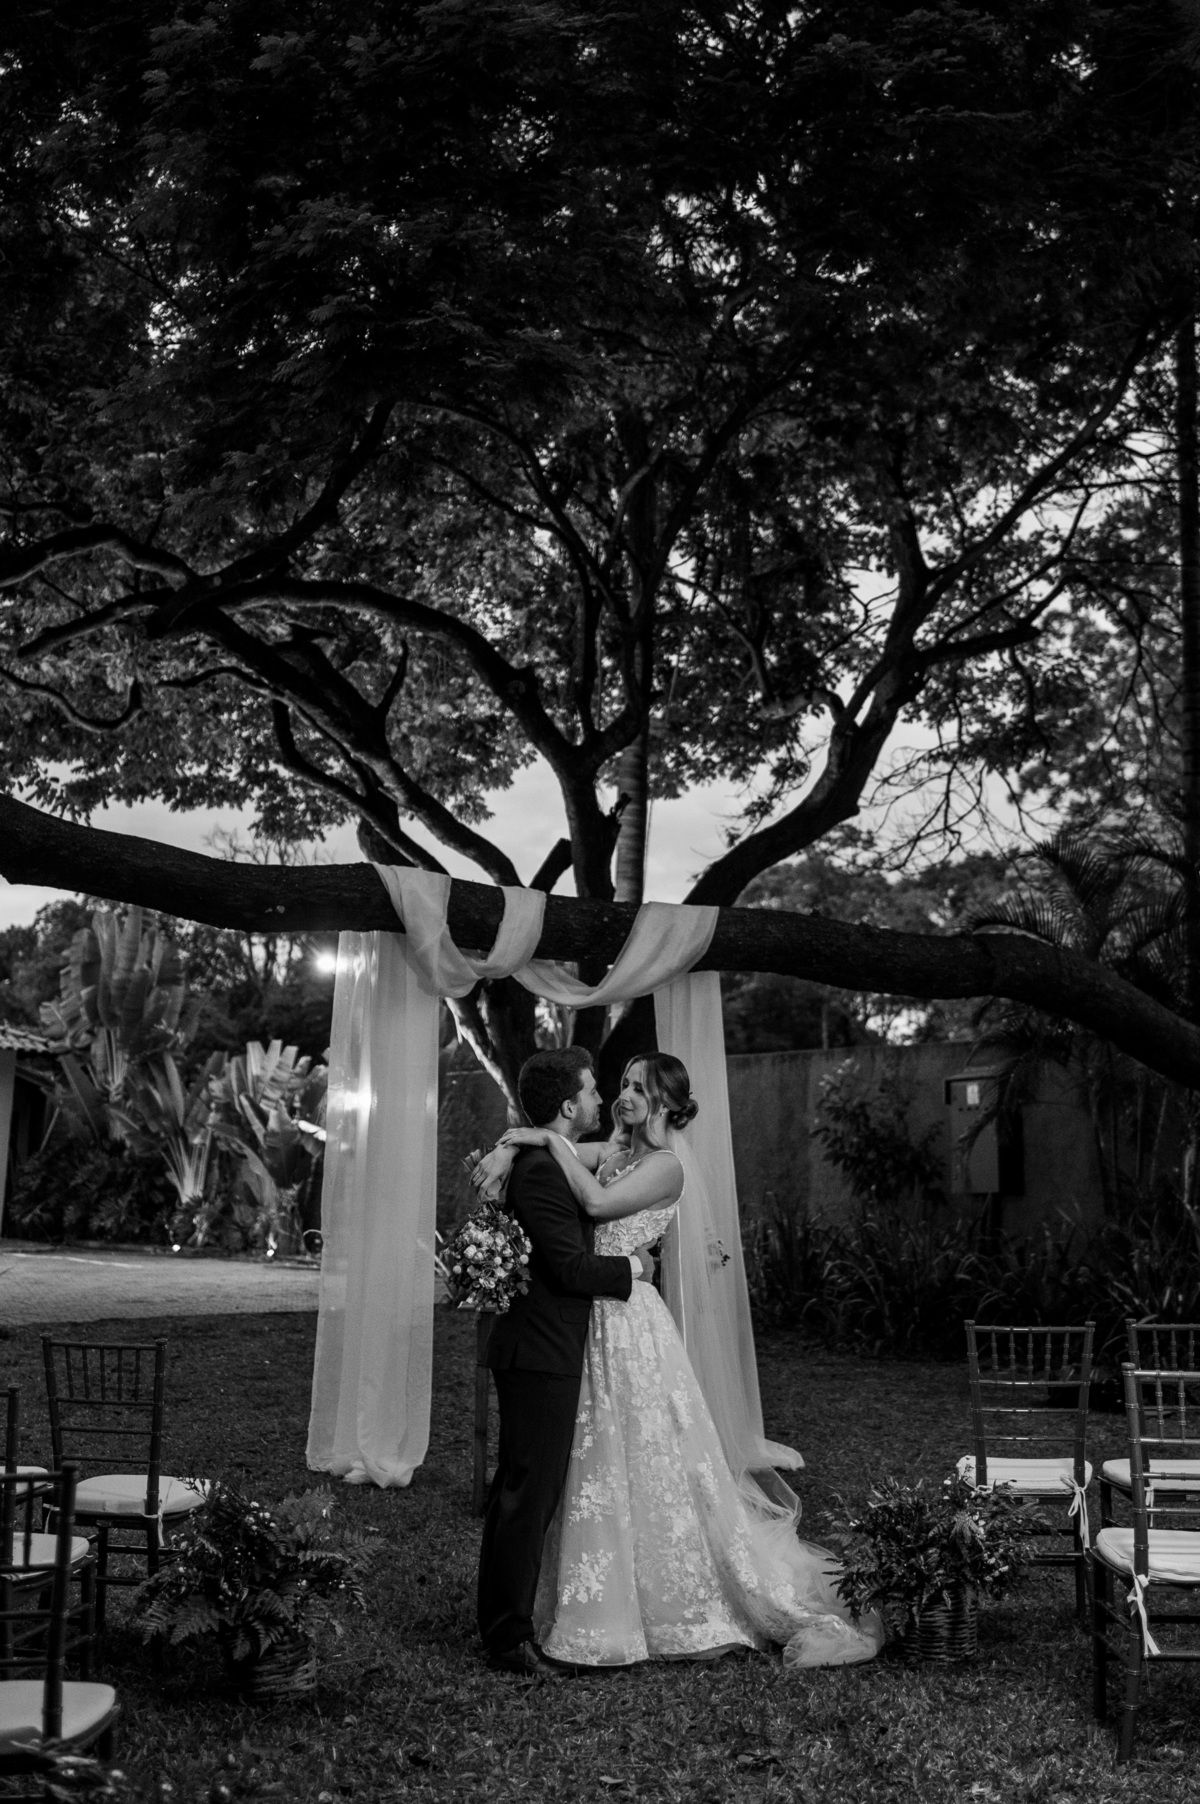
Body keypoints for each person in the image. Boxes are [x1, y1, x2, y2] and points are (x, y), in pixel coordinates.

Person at [472, 1053, 883, 1669]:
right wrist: (515, 1143)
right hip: (586, 1325)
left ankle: (660, 1597)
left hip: (629, 1324)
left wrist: (544, 1141)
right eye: (617, 1084)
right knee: (589, 1460)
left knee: (646, 1453)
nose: (620, 1096)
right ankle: (568, 1604)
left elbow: (593, 1204)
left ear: (664, 1103)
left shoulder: (665, 1166)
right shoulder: (613, 1152)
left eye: (636, 1088)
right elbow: (563, 1152)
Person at [475, 1046, 658, 1678]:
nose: (602, 1098)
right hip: (540, 1349)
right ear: (568, 1106)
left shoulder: (550, 1158)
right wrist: (635, 1268)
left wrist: (512, 1141)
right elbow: (570, 1269)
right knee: (529, 1496)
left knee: (519, 1490)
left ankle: (500, 1623)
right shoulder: (544, 1174)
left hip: (538, 1346)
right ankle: (508, 1638)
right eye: (592, 1090)